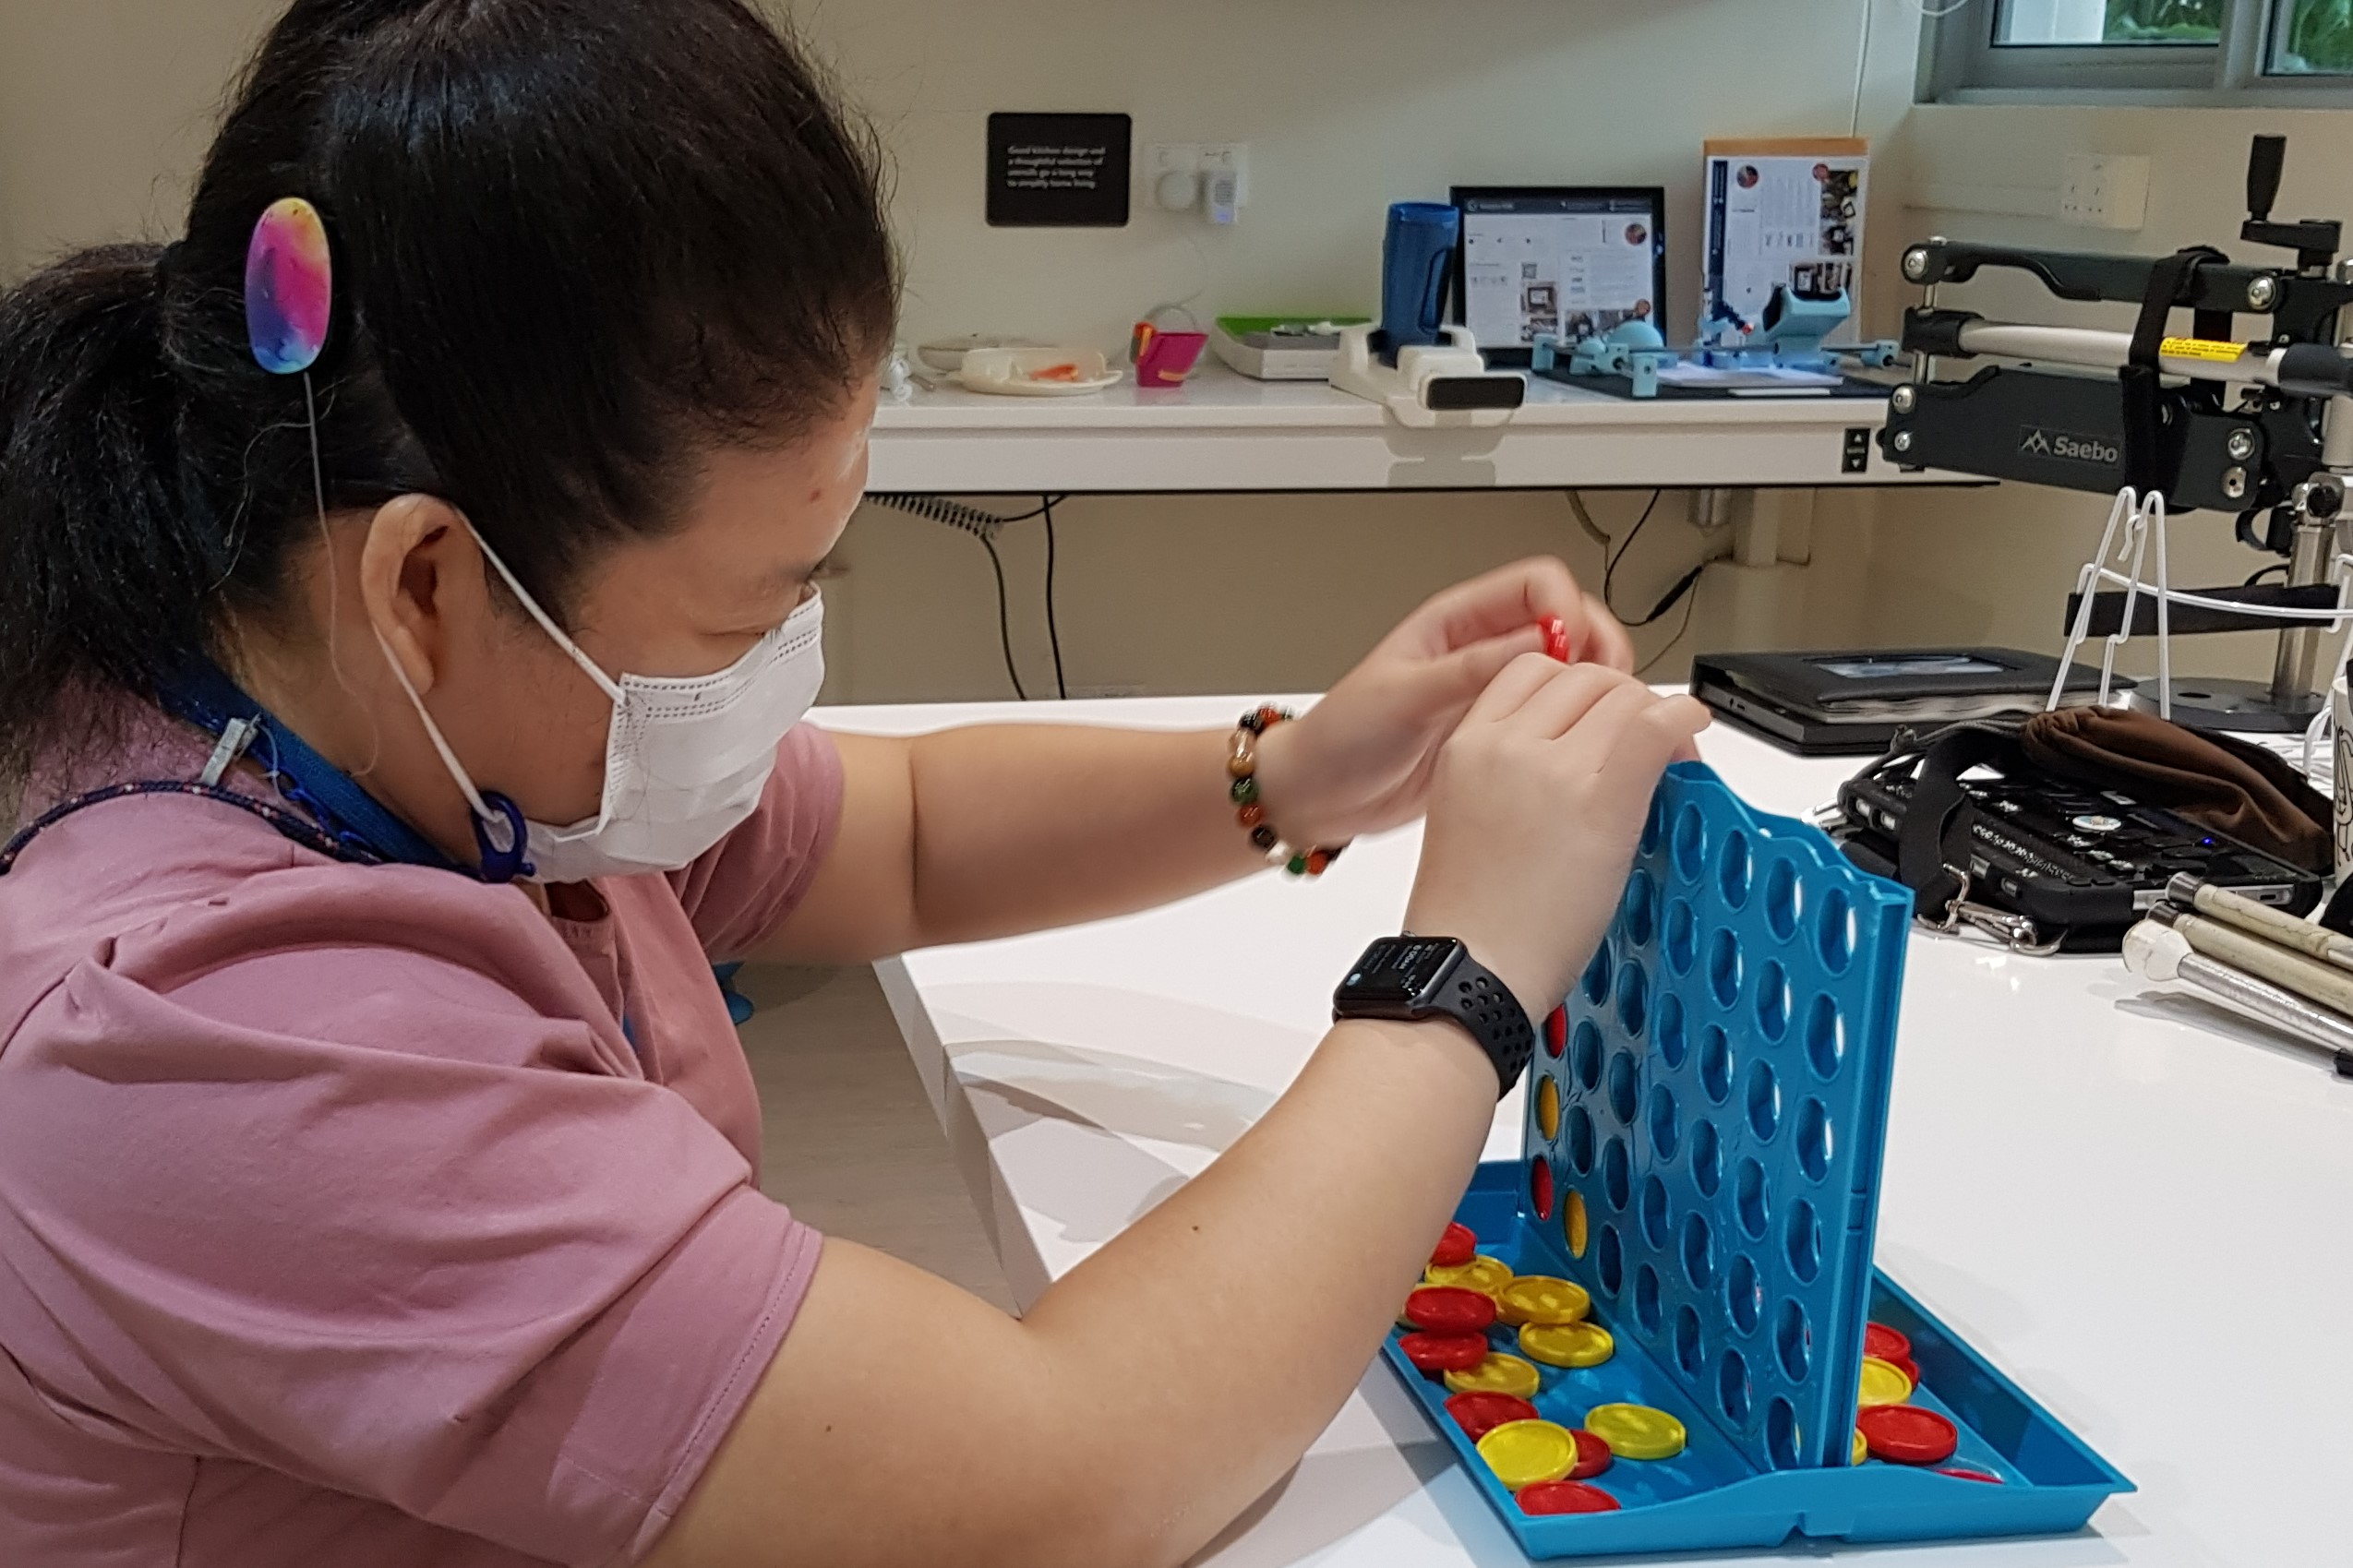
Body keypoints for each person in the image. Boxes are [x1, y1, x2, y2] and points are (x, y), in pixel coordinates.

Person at [0, 2, 1711, 1564]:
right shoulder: (203, 1043)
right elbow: (1064, 1483)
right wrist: (1465, 973)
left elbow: (894, 833)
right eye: (756, 607)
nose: (780, 666)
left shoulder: (387, 724)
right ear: (428, 585)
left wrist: (1302, 771)